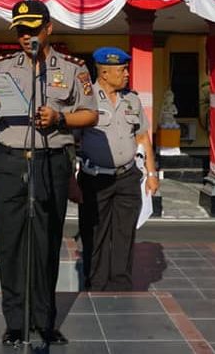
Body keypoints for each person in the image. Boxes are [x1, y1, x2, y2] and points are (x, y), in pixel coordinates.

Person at [0, 0, 98, 346]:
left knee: (46, 243)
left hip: (50, 162)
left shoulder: (73, 69)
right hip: (10, 161)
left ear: (48, 29)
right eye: (20, 31)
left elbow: (91, 114)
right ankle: (15, 323)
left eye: (32, 30)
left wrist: (60, 118)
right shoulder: (1, 68)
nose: (26, 36)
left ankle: (45, 321)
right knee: (10, 244)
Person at [78, 46, 159, 291]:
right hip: (95, 179)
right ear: (104, 73)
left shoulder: (132, 99)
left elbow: (143, 137)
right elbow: (71, 139)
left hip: (127, 177)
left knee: (125, 233)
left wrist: (152, 174)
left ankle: (121, 284)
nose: (126, 74)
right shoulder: (85, 100)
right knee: (95, 234)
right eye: (122, 70)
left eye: (126, 69)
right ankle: (96, 285)